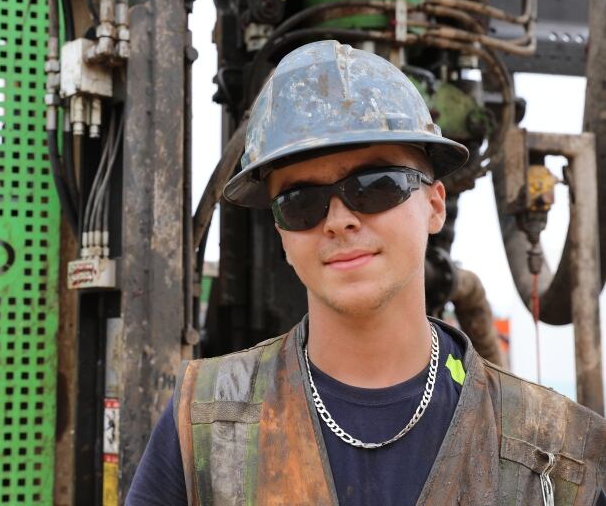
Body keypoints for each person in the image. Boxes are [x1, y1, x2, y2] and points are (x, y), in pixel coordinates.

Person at [126, 40, 606, 505]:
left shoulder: (562, 452)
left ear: (435, 205)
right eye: (301, 202)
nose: (338, 220)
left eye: (375, 185)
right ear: (281, 233)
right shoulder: (204, 421)